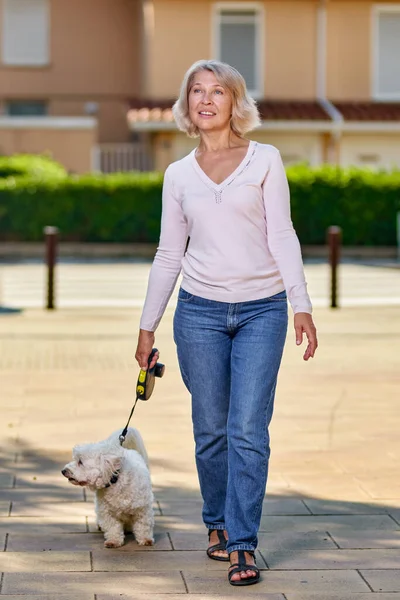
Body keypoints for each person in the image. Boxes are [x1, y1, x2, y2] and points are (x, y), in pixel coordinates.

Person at [135, 59, 318, 586]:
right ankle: (215, 522)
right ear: (187, 104)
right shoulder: (177, 175)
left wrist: (300, 304)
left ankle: (241, 543)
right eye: (197, 91)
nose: (207, 99)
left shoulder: (265, 160)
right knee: (211, 429)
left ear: (236, 103)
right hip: (198, 313)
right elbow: (169, 253)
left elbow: (283, 235)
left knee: (247, 429)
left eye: (219, 91)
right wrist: (148, 326)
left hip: (263, 309)